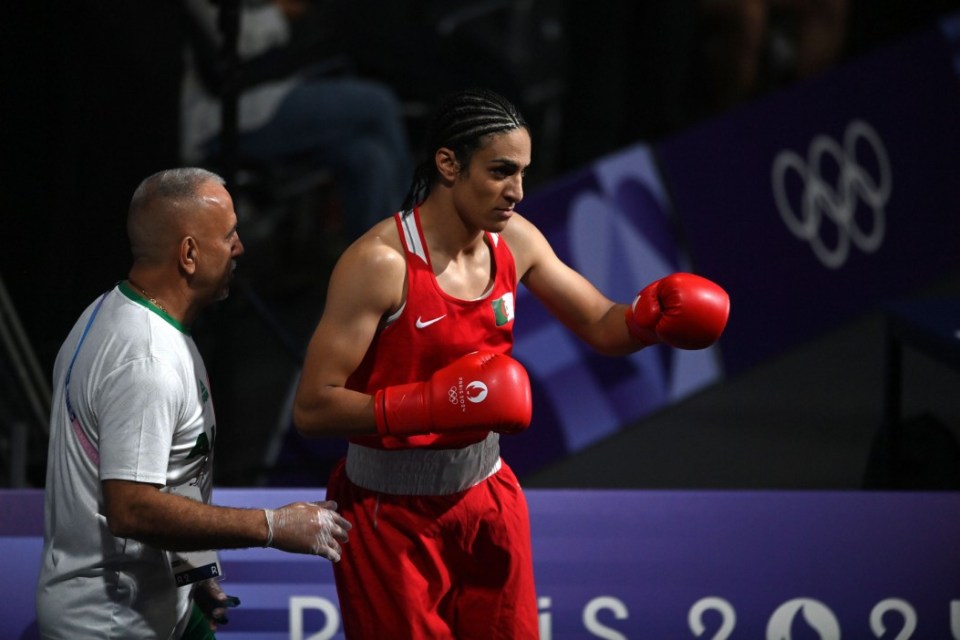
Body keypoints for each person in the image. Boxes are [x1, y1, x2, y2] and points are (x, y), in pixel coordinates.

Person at [292, 88, 730, 638]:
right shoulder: (380, 264)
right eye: (501, 171)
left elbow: (599, 322)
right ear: (448, 164)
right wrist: (426, 406)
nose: (517, 192)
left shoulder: (514, 242)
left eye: (523, 173)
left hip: (488, 496)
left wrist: (647, 319)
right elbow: (313, 408)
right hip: (389, 513)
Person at [35, 167, 352, 640]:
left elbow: (171, 472)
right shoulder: (147, 361)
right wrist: (273, 525)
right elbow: (132, 508)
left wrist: (193, 570)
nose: (239, 247)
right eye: (228, 236)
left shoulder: (115, 312)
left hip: (163, 611)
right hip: (114, 625)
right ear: (189, 253)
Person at [180, 0, 412, 242]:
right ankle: (417, 251)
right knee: (378, 104)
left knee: (369, 155)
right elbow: (240, 40)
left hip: (268, 90)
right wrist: (284, 10)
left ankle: (380, 271)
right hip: (220, 117)